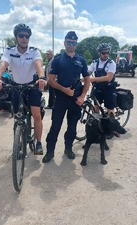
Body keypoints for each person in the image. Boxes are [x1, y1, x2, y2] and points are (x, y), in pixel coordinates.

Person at [0, 23, 46, 154]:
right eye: (21, 35)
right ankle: (19, 142)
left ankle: (38, 142)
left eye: (27, 36)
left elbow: (38, 65)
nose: (24, 38)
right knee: (17, 118)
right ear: (16, 37)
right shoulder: (9, 51)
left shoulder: (34, 51)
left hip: (31, 86)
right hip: (16, 87)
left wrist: (42, 77)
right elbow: (3, 64)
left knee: (37, 115)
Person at [42, 31, 90, 163]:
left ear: (76, 44)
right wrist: (64, 90)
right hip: (61, 98)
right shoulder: (58, 60)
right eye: (69, 42)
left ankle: (68, 148)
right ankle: (50, 151)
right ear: (64, 43)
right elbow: (50, 80)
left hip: (76, 99)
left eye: (74, 43)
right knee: (55, 126)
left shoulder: (81, 60)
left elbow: (87, 79)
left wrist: (82, 97)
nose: (71, 45)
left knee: (72, 126)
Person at [88, 42, 117, 116]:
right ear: (99, 53)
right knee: (96, 106)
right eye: (103, 53)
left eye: (107, 53)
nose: (106, 55)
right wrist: (84, 77)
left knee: (110, 109)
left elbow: (108, 78)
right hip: (98, 88)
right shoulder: (95, 62)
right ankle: (97, 123)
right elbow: (88, 72)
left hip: (109, 88)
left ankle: (111, 126)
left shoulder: (111, 63)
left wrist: (93, 79)